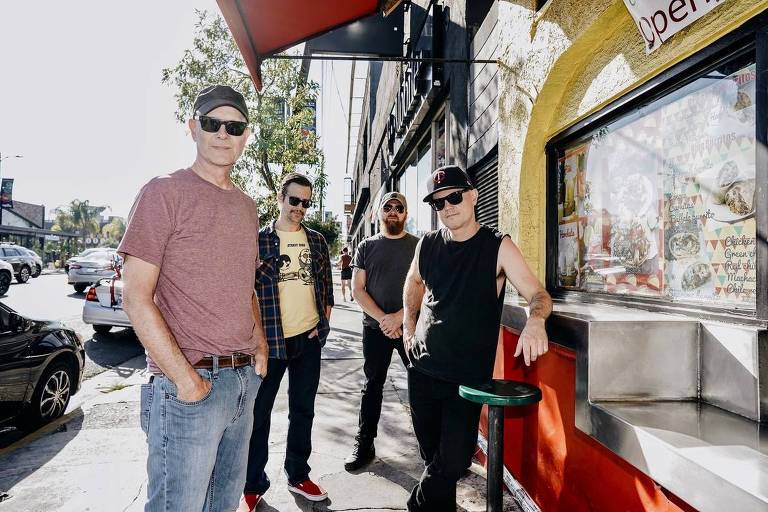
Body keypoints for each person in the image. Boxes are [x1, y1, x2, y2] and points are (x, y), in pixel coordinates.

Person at [119, 84, 268, 512]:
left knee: (222, 507)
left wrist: (259, 345)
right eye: (212, 123)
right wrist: (186, 380)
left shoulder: (246, 207)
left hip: (242, 385)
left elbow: (246, 285)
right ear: (192, 128)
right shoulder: (162, 192)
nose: (223, 133)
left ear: (245, 135)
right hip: (187, 388)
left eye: (234, 126)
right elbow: (136, 297)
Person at [402, 164, 552, 511]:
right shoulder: (426, 244)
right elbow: (413, 282)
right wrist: (409, 327)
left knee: (452, 461)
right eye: (438, 203)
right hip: (422, 370)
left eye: (454, 197)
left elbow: (539, 295)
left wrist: (535, 322)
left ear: (473, 195)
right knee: (433, 461)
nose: (448, 207)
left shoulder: (498, 247)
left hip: (466, 380)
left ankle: (416, 507)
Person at [240, 172, 334, 511]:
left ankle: (298, 474)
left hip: (307, 340)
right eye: (294, 200)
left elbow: (326, 291)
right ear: (280, 198)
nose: (299, 208)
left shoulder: (318, 242)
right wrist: (256, 340)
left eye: (306, 203)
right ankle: (252, 485)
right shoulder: (258, 241)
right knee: (259, 413)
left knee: (303, 411)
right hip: (270, 344)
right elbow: (245, 292)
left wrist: (322, 327)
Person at [344, 192, 418, 471]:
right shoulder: (366, 246)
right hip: (375, 329)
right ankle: (365, 444)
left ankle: (430, 446)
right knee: (372, 385)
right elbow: (357, 289)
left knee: (422, 385)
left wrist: (400, 317)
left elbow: (426, 287)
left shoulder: (419, 245)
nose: (393, 212)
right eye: (388, 207)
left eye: (399, 208)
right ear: (377, 213)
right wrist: (384, 319)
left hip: (410, 327)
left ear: (406, 214)